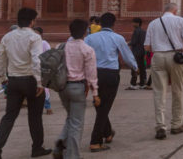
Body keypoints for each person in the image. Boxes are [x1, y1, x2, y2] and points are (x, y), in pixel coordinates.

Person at [0, 7, 51, 159]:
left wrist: (2, 78)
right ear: (32, 21)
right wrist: (39, 82)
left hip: (14, 81)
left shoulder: (7, 37)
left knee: (9, 116)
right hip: (30, 80)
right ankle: (37, 148)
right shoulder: (35, 37)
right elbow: (36, 60)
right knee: (35, 117)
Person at [84, 12, 139, 151]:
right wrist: (135, 68)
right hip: (110, 74)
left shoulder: (90, 38)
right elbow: (127, 56)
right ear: (114, 24)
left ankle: (107, 133)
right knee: (104, 107)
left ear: (100, 23)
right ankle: (95, 141)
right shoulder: (117, 38)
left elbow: (82, 53)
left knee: (99, 104)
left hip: (94, 73)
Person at [145, 2, 183, 139]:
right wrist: (180, 46)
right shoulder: (180, 21)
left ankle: (160, 126)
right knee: (177, 90)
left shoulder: (153, 23)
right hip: (175, 56)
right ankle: (176, 124)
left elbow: (147, 47)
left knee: (159, 92)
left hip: (158, 56)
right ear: (175, 10)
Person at [52, 18, 99, 159]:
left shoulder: (61, 46)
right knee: (76, 123)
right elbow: (91, 74)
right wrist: (95, 93)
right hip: (77, 87)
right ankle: (72, 155)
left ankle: (62, 141)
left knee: (71, 117)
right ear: (85, 32)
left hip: (62, 88)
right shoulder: (87, 49)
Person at [125, 17, 148, 90]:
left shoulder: (136, 31)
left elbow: (134, 42)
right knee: (142, 68)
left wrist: (127, 43)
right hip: (142, 51)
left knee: (134, 67)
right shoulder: (143, 31)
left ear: (137, 23)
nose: (132, 24)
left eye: (133, 22)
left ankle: (133, 84)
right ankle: (142, 83)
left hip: (136, 52)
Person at [35, 27, 53, 115]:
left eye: (37, 33)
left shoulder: (44, 43)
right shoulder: (31, 43)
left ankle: (48, 106)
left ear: (41, 34)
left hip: (43, 69)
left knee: (45, 88)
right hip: (33, 69)